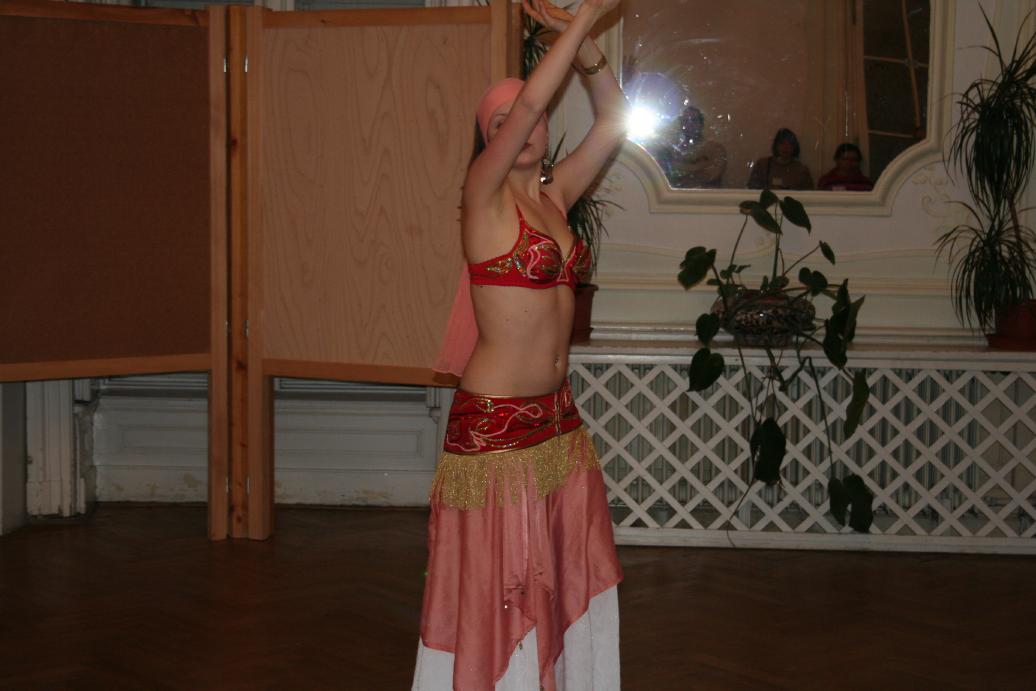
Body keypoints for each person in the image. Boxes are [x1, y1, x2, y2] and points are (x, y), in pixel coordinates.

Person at [413, 1, 625, 690]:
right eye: (501, 122)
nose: (521, 125)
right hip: (497, 428)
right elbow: (535, 97)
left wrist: (584, 42)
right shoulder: (484, 197)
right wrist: (584, 15)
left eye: (526, 117)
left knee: (560, 575)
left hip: (559, 421)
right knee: (504, 588)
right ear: (490, 141)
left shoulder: (554, 197)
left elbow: (613, 121)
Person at [654, 104, 727, 188]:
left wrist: (682, 176)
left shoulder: (715, 149)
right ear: (681, 124)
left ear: (701, 123)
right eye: (685, 121)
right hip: (677, 195)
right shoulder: (670, 151)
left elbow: (711, 175)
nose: (689, 124)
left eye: (694, 120)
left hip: (705, 195)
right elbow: (665, 178)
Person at [747, 127, 814, 190]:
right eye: (782, 143)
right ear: (776, 145)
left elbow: (809, 194)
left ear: (794, 147)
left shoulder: (802, 170)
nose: (785, 147)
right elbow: (752, 188)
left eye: (790, 144)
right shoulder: (763, 165)